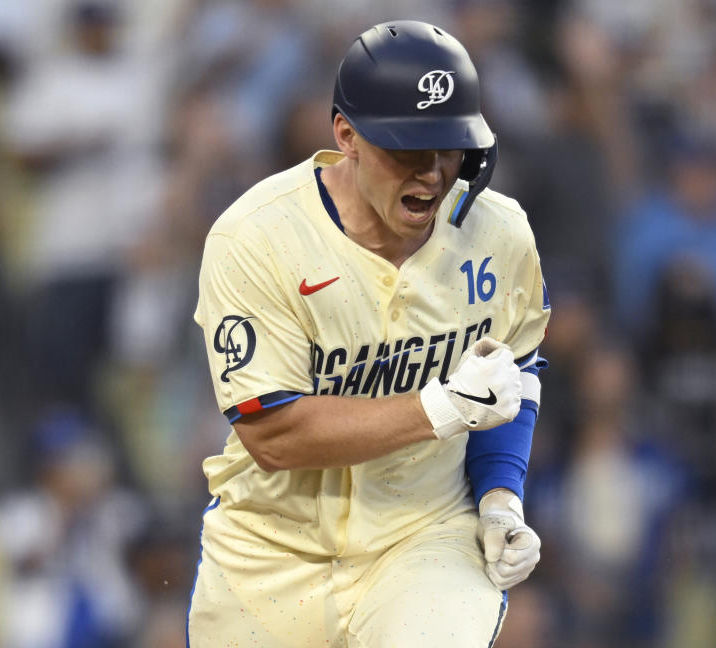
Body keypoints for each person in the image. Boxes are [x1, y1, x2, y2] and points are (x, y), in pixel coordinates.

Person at [188, 20, 550, 647]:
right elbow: (272, 434)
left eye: (449, 149)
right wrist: (440, 407)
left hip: (424, 534)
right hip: (270, 552)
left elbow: (512, 379)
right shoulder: (257, 237)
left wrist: (500, 498)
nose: (433, 174)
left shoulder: (500, 234)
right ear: (346, 136)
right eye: (408, 150)